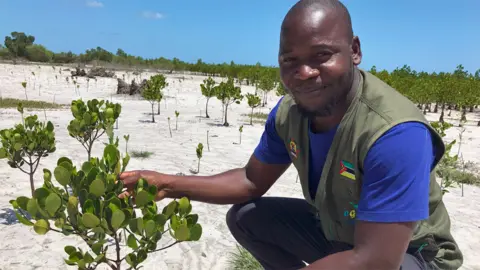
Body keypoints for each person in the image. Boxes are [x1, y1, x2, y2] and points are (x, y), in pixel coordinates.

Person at [119, 0, 463, 269]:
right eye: (289, 60)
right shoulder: (289, 114)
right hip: (344, 236)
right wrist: (165, 183)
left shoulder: (395, 134)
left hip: (412, 256)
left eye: (321, 56)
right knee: (247, 217)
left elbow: (375, 261)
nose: (304, 73)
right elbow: (250, 182)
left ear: (354, 50)